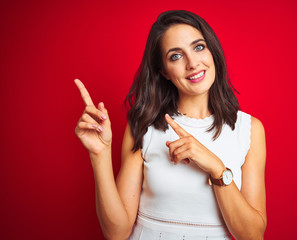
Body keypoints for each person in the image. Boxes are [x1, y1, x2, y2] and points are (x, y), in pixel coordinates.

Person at [74, 10, 266, 240]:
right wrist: (100, 155)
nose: (193, 63)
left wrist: (216, 168)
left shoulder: (249, 129)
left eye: (198, 47)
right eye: (176, 56)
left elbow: (252, 235)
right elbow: (116, 233)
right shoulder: (144, 126)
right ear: (164, 71)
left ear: (212, 51)